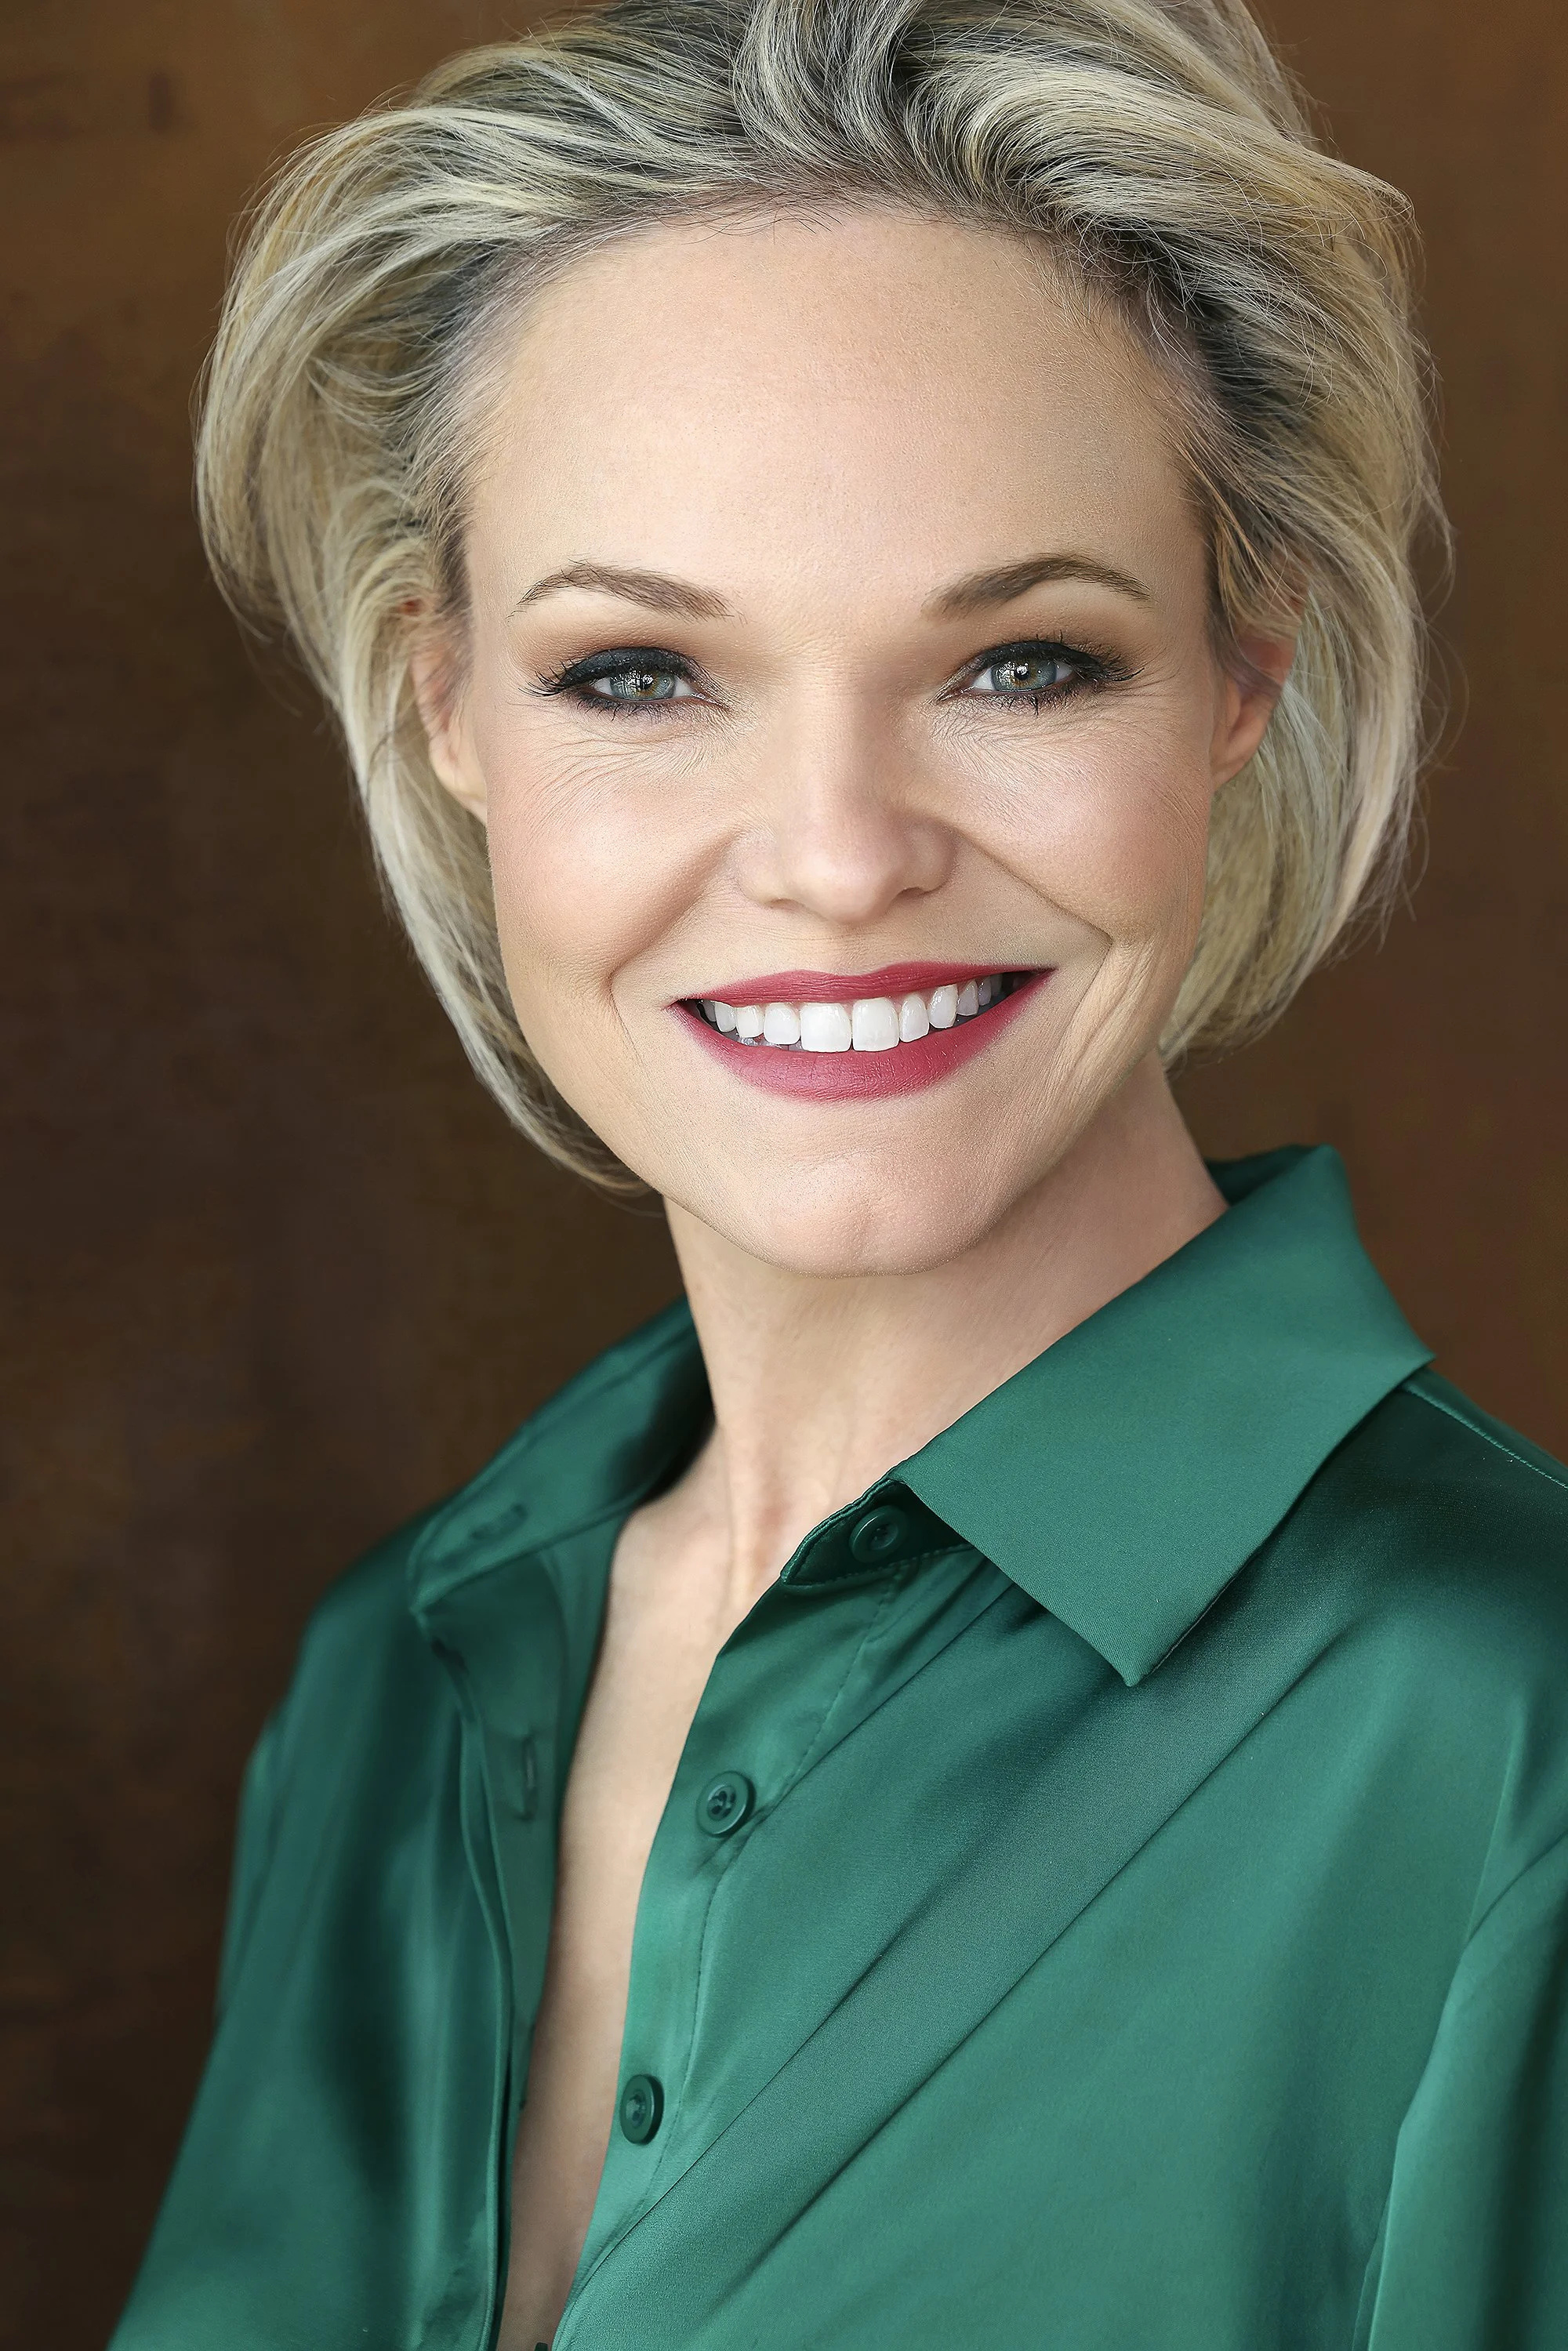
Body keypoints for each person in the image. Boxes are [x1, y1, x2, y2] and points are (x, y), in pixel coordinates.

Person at [111, 2, 1568, 2346]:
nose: (836, 860)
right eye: (639, 676)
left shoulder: (1514, 1743)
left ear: (1240, 681)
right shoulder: (389, 1678)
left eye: (1021, 665)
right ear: (446, 706)